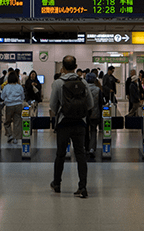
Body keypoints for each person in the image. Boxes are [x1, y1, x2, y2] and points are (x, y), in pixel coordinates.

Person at [49, 55, 94, 198]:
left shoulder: (58, 83)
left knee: (60, 154)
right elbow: (90, 104)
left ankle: (57, 184)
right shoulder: (83, 82)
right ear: (76, 67)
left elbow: (52, 106)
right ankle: (82, 186)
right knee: (80, 154)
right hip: (80, 123)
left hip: (64, 123)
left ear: (62, 67)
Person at [1, 71, 25, 144]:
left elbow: (2, 97)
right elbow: (22, 97)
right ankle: (16, 138)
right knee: (17, 122)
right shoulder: (19, 86)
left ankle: (9, 135)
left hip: (9, 105)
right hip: (18, 105)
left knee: (7, 122)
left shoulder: (6, 87)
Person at [85, 72, 104, 157]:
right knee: (93, 131)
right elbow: (101, 103)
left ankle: (85, 147)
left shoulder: (83, 89)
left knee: (85, 131)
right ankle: (92, 148)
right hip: (95, 114)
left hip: (84, 115)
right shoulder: (98, 90)